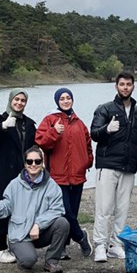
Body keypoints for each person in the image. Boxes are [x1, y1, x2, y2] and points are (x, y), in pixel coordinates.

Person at [0, 146, 70, 273]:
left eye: (37, 161)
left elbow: (57, 210)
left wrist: (38, 224)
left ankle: (51, 261)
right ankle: (23, 252)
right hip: (20, 235)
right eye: (29, 161)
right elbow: (5, 209)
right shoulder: (14, 184)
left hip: (40, 233)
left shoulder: (52, 186)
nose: (33, 164)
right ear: (25, 164)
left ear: (42, 163)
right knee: (28, 262)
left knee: (63, 223)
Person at [90, 72, 137, 262]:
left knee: (122, 208)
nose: (125, 87)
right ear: (116, 87)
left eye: (128, 84)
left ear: (133, 86)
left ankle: (116, 244)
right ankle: (100, 244)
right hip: (107, 165)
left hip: (129, 166)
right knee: (104, 207)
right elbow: (94, 134)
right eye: (122, 84)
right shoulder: (104, 109)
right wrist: (106, 129)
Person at [35, 87, 94, 258]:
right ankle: (81, 237)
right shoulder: (50, 120)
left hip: (77, 175)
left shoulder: (79, 122)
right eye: (62, 98)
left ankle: (62, 247)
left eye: (68, 98)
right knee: (63, 212)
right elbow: (41, 142)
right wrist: (54, 132)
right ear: (57, 101)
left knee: (72, 212)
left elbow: (88, 144)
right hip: (58, 176)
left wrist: (87, 162)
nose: (66, 101)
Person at [0, 88, 36, 263]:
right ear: (10, 100)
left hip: (23, 173)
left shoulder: (29, 124)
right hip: (3, 171)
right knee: (1, 204)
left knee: (21, 207)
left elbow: (35, 147)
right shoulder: (0, 120)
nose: (19, 103)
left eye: (23, 100)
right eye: (16, 99)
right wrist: (2, 127)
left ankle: (15, 242)